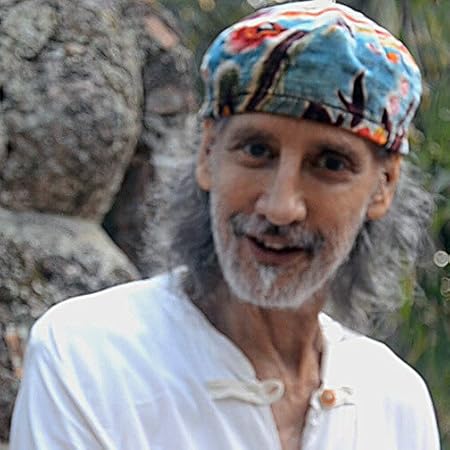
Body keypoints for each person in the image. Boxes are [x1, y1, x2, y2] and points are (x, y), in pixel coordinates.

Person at [10, 1, 441, 449]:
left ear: (383, 186)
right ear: (207, 154)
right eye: (256, 151)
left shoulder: (393, 401)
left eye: (330, 163)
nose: (280, 208)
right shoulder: (89, 357)